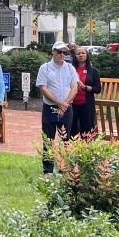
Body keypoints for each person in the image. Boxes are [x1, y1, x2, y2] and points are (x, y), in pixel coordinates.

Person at [35, 41, 79, 176]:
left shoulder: (70, 68)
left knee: (66, 139)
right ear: (53, 52)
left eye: (64, 52)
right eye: (59, 51)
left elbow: (74, 87)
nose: (61, 54)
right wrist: (59, 102)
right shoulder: (45, 68)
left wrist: (64, 103)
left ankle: (64, 167)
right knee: (48, 139)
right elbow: (43, 87)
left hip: (66, 108)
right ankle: (48, 169)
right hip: (50, 107)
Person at [69, 46, 101, 138]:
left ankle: (86, 150)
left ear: (87, 55)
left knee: (86, 132)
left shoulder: (93, 71)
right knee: (72, 130)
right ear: (75, 56)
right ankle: (71, 150)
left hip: (86, 105)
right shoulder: (70, 70)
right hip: (72, 105)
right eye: (78, 53)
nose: (81, 55)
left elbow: (98, 89)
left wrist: (85, 87)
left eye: (83, 53)